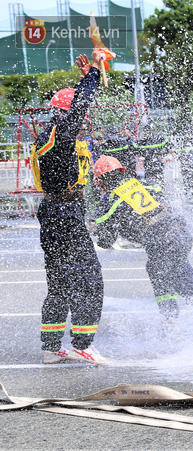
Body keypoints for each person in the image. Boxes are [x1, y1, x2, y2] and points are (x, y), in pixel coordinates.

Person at [93, 156, 193, 326]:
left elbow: (105, 241)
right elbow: (160, 199)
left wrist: (97, 228)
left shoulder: (109, 200)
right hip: (178, 232)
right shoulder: (141, 182)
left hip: (163, 242)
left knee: (187, 288)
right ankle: (170, 317)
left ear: (102, 181)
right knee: (157, 270)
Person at [32, 50, 107, 365]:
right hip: (64, 217)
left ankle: (51, 348)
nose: (83, 123)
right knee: (91, 281)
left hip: (52, 216)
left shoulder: (46, 138)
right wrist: (91, 76)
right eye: (79, 118)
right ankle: (82, 344)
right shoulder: (62, 133)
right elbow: (80, 106)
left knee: (60, 283)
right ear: (65, 114)